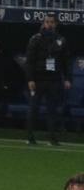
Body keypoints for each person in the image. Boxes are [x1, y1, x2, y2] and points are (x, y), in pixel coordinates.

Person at [26, 13, 71, 146]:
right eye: (47, 22)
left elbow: (66, 61)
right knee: (34, 108)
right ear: (43, 23)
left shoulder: (61, 40)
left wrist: (68, 78)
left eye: (51, 22)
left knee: (53, 109)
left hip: (54, 79)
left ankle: (52, 137)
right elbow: (30, 61)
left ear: (55, 24)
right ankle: (30, 136)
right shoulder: (35, 39)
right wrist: (30, 79)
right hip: (38, 79)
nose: (49, 24)